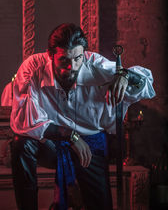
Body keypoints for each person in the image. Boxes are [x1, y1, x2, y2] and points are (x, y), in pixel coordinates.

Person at [10, 23, 155, 210]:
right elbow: (24, 121)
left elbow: (146, 81)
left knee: (100, 205)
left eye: (77, 58)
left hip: (91, 145)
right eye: (63, 60)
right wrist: (70, 135)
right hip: (52, 144)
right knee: (21, 143)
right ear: (50, 55)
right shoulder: (33, 67)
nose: (71, 67)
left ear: (84, 54)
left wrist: (125, 76)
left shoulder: (95, 64)